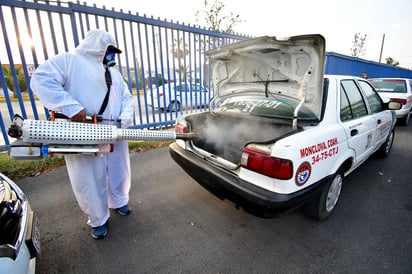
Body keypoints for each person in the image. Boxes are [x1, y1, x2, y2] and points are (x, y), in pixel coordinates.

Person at [30, 29, 134, 239]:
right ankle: (98, 218)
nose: (111, 55)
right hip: (85, 131)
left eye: (113, 51)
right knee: (88, 175)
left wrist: (125, 118)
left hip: (115, 130)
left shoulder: (114, 73)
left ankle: (120, 200)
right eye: (109, 50)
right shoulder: (69, 61)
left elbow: (126, 97)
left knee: (119, 168)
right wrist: (71, 107)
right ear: (97, 46)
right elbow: (40, 80)